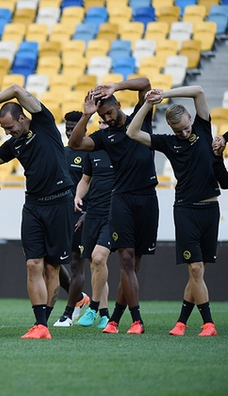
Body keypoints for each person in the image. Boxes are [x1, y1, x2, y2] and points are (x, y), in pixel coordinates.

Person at [0, 84, 73, 340]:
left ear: (22, 117)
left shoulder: (43, 122)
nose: (8, 132)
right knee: (32, 263)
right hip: (33, 205)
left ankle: (43, 323)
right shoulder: (14, 144)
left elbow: (16, 89)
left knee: (52, 268)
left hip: (59, 202)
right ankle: (40, 325)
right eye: (4, 129)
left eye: (10, 127)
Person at [68, 78, 158, 335]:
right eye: (102, 116)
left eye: (109, 113)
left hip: (147, 198)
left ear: (118, 105)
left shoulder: (139, 119)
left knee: (134, 264)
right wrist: (87, 115)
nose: (107, 118)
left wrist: (115, 86)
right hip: (121, 200)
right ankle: (137, 321)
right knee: (125, 260)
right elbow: (75, 144)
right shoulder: (104, 136)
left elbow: (145, 84)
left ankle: (115, 318)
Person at [126, 86, 218, 337]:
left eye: (186, 128)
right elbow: (132, 132)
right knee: (195, 269)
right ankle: (208, 324)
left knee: (198, 272)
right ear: (171, 128)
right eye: (179, 131)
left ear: (190, 119)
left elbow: (199, 91)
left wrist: (164, 94)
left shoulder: (202, 128)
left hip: (210, 208)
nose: (184, 133)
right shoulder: (168, 142)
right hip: (185, 209)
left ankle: (181, 322)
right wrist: (149, 103)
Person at [74, 118, 113, 328]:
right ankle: (105, 314)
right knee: (95, 264)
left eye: (105, 122)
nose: (102, 125)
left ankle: (93, 308)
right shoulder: (93, 151)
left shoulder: (121, 149)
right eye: (100, 121)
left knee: (99, 258)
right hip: (93, 213)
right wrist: (78, 196)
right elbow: (85, 180)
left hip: (113, 214)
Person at [54, 111, 91, 327]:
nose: (70, 131)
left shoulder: (92, 152)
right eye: (68, 127)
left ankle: (68, 314)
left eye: (74, 127)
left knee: (77, 264)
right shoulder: (62, 152)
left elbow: (97, 185)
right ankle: (78, 298)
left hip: (81, 216)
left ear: (84, 127)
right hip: (60, 215)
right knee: (51, 261)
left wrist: (88, 212)